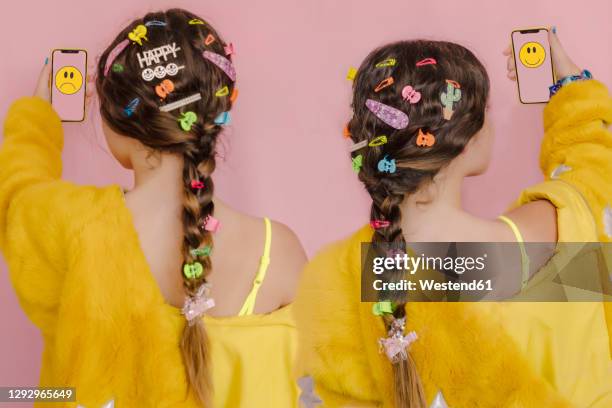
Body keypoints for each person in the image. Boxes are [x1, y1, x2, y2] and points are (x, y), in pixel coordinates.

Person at [0, 8, 306, 407]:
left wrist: (36, 119)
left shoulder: (77, 224)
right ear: (223, 106)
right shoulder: (278, 251)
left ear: (115, 119)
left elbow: (16, 197)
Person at [294, 29, 611, 407]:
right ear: (468, 135)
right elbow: (592, 177)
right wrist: (573, 87)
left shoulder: (339, 278)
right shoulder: (552, 231)